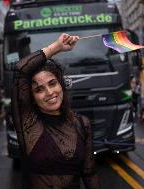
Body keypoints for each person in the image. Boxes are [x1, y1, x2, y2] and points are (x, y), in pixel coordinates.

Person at [12, 33, 99, 189]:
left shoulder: (82, 124)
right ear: (32, 97)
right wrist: (56, 47)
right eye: (39, 89)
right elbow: (20, 70)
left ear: (62, 86)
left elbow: (89, 173)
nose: (50, 92)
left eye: (53, 83)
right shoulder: (28, 123)